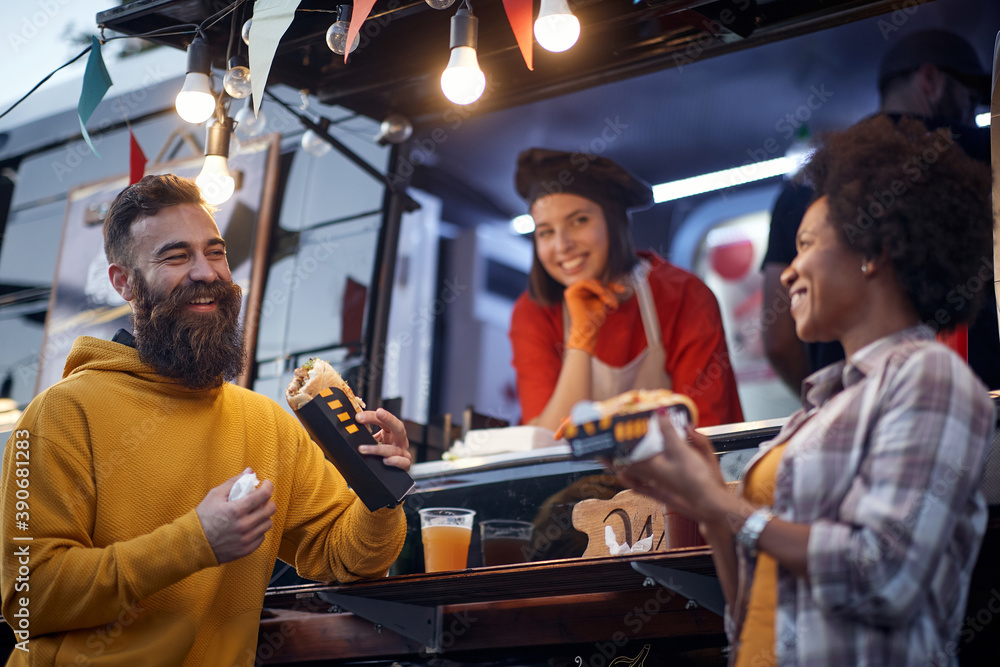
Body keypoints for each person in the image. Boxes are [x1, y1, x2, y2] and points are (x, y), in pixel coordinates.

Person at [615, 116, 995, 666]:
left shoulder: (932, 377)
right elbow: (754, 608)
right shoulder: (817, 411)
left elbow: (882, 574)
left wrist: (722, 503)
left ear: (874, 250)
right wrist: (701, 500)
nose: (788, 274)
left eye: (806, 245)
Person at [0, 175, 411, 666]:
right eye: (176, 257)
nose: (205, 273)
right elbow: (28, 601)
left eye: (215, 252)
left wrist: (380, 487)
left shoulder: (265, 423)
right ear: (123, 282)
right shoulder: (58, 415)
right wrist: (194, 543)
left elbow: (345, 557)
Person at [761, 28, 997, 392]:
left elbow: (777, 339)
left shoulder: (804, 186)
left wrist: (828, 401)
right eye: (970, 98)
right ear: (930, 80)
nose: (972, 112)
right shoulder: (982, 155)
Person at [509, 148, 744, 431]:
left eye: (579, 221)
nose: (562, 245)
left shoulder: (684, 295)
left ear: (614, 222)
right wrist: (582, 338)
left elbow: (706, 430)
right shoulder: (533, 312)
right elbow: (545, 443)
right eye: (545, 231)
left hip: (677, 474)